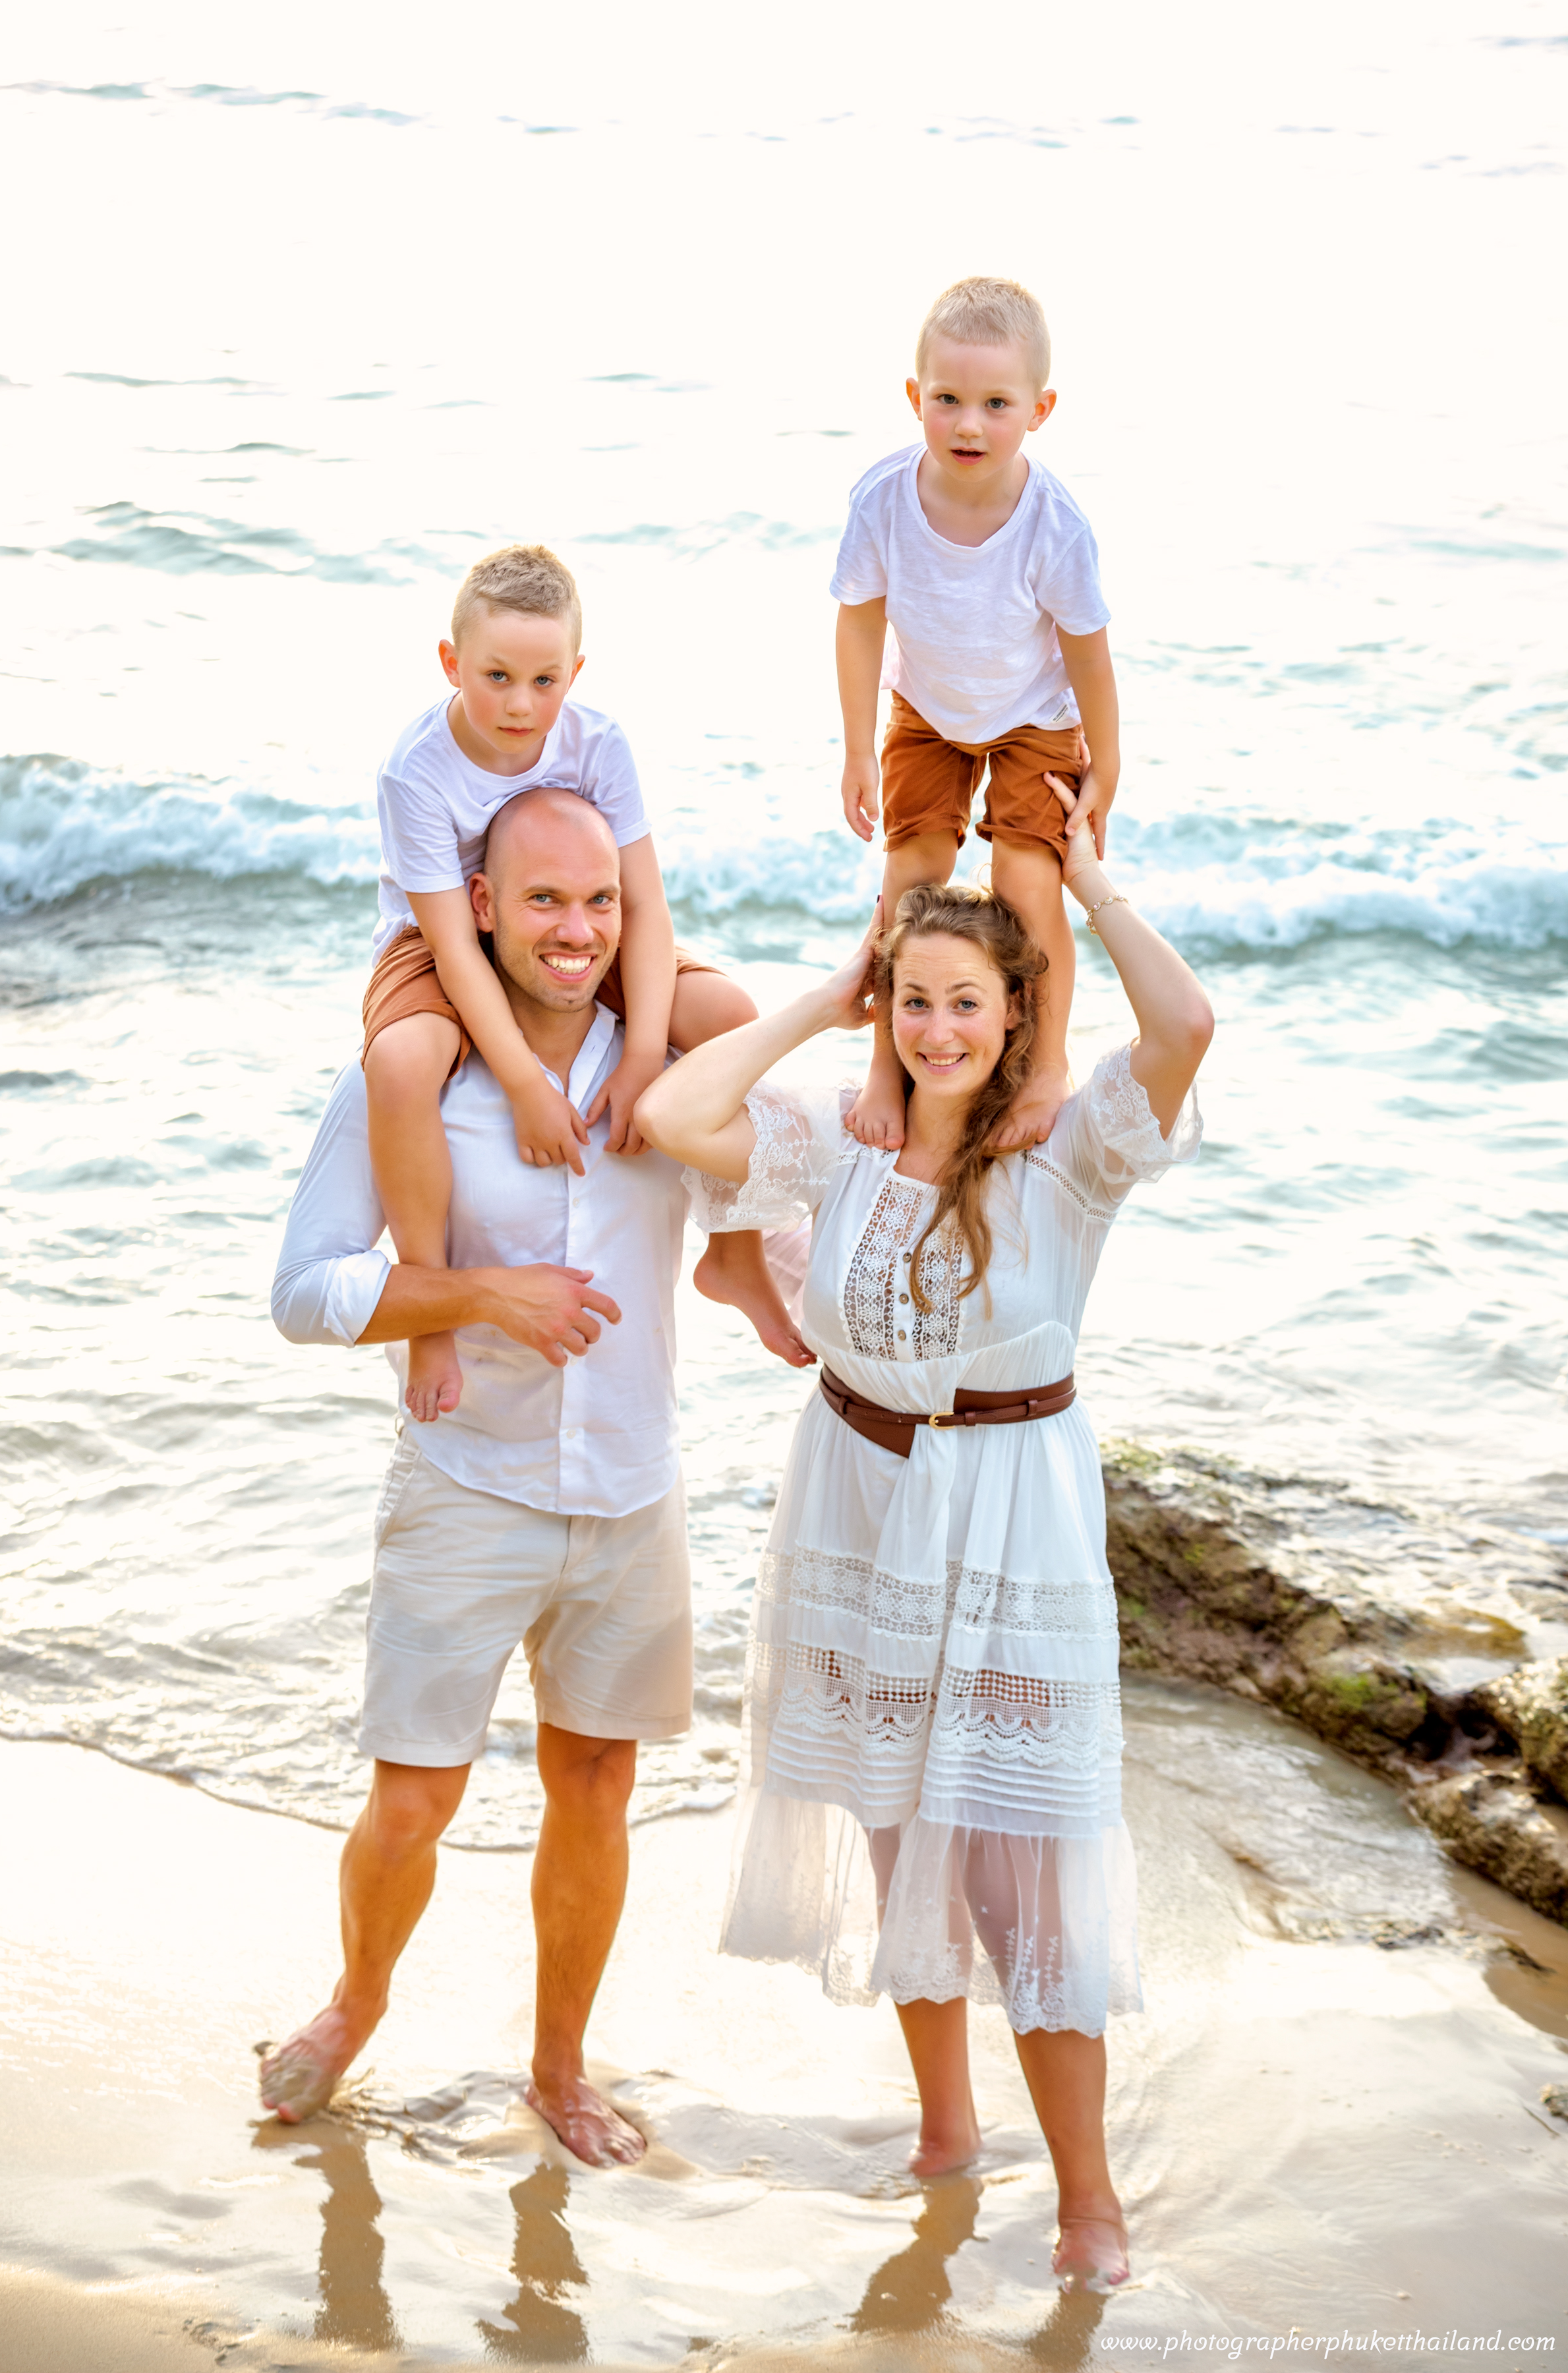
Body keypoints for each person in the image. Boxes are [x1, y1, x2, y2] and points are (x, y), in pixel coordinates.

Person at [636, 827, 1213, 2289]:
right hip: (859, 1495)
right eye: (915, 1002)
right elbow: (670, 1107)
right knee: (902, 1838)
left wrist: (1088, 887)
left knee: (1022, 1871)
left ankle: (1090, 2200)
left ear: (1018, 1010)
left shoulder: (1071, 1151)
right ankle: (946, 2134)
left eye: (968, 1000)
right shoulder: (841, 1143)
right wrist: (835, 989)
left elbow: (1189, 1025)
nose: (939, 1028)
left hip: (1012, 1509)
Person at [263, 788, 713, 2164]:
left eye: (601, 902)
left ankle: (561, 2071)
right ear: (481, 909)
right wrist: (477, 1299)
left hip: (634, 1497)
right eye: (543, 902)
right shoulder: (417, 1070)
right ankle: (354, 2007)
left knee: (597, 1789)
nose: (575, 931)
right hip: (467, 1486)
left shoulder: (670, 1065)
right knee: (415, 1798)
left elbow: (789, 1177)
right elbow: (303, 1291)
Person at [362, 542, 804, 1424]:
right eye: (495, 677)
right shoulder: (415, 773)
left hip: (566, 922)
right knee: (405, 1063)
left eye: (545, 680)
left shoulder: (597, 741)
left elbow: (642, 904)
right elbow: (453, 949)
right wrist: (524, 1083)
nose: (521, 705)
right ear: (451, 664)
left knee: (727, 1014)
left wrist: (644, 1052)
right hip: (441, 935)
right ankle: (431, 1311)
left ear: (576, 671)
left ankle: (738, 1251)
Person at [834, 274, 1120, 1155]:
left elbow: (1088, 650)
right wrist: (858, 753)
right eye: (949, 400)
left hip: (1034, 719)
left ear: (1040, 408)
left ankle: (1043, 1064)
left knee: (1027, 885)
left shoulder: (1054, 525)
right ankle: (888, 1059)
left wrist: (1105, 768)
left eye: (997, 404)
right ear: (916, 397)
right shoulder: (883, 500)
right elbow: (857, 623)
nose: (968, 424)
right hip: (925, 711)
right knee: (909, 878)